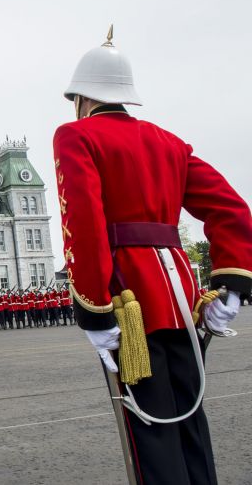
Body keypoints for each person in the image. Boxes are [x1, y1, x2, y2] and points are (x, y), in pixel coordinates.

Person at [54, 26, 252, 484]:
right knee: (190, 422)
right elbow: (231, 208)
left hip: (129, 300)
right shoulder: (170, 142)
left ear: (82, 97)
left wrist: (95, 311)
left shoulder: (76, 136)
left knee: (151, 430)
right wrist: (230, 286)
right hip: (183, 299)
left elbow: (82, 223)